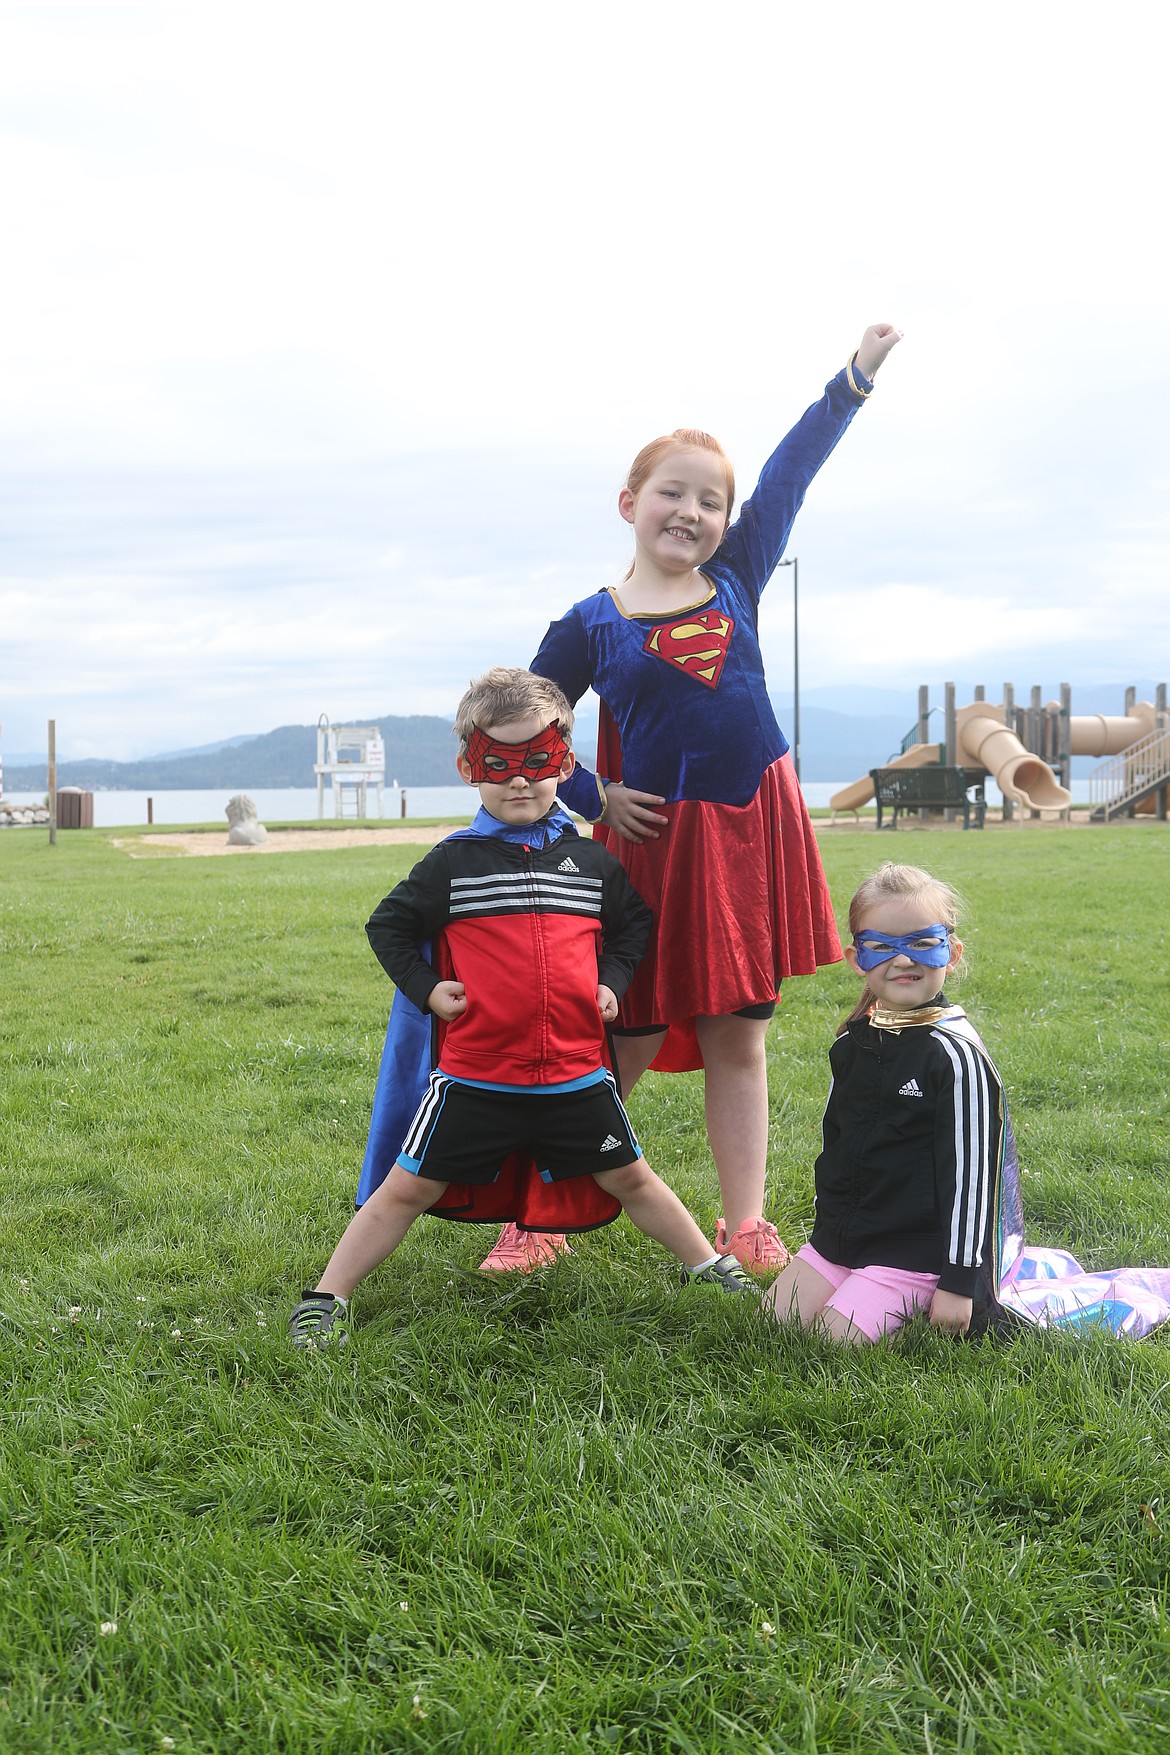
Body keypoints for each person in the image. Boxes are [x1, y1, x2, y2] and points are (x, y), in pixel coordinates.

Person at [479, 322, 903, 1276]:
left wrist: (854, 379)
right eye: (673, 492)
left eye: (712, 501)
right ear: (630, 502)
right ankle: (541, 1211)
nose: (692, 511)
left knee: (737, 1039)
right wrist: (594, 793)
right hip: (651, 856)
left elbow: (794, 469)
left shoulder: (737, 579)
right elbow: (520, 727)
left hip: (751, 840)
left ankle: (743, 1219)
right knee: (617, 1039)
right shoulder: (588, 622)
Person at [289, 668, 755, 1348]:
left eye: (538, 761)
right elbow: (387, 925)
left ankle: (709, 1268)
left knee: (632, 1176)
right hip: (477, 1076)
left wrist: (613, 981)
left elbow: (633, 927)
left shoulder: (591, 864)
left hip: (574, 1075)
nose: (519, 779)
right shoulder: (453, 863)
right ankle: (326, 1297)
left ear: (564, 763)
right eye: (498, 762)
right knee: (405, 1189)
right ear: (466, 766)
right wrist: (427, 988)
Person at [760, 861, 990, 1342]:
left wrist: (960, 1283)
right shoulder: (852, 1043)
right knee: (772, 1324)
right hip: (844, 1240)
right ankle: (847, 1275)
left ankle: (918, 1299)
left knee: (830, 1343)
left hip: (917, 1251)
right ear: (855, 958)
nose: (903, 960)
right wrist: (827, 1235)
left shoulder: (955, 1054)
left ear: (952, 952)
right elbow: (836, 1142)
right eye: (882, 946)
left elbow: (973, 1178)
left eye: (922, 943)